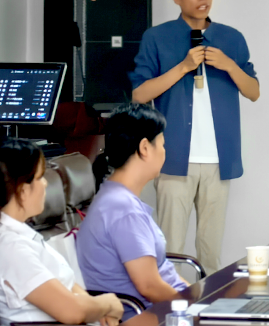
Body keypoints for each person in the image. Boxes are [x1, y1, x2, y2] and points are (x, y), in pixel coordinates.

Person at [129, 0, 259, 274]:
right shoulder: (157, 37)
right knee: (170, 250)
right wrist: (183, 67)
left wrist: (229, 65)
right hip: (174, 158)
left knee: (211, 254)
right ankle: (168, 304)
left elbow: (253, 91)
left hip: (219, 160)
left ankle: (207, 303)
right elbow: (139, 95)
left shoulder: (231, 38)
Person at [0, 138, 123, 326]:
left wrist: (95, 308)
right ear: (22, 190)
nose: (45, 184)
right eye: (40, 177)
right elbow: (72, 311)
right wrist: (109, 304)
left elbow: (70, 288)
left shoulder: (19, 237)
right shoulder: (8, 249)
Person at [76, 104, 188, 321]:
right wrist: (197, 308)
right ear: (145, 147)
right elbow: (150, 287)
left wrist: (197, 297)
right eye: (162, 145)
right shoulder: (123, 209)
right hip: (149, 316)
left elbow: (162, 272)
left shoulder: (118, 198)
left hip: (167, 310)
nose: (165, 152)